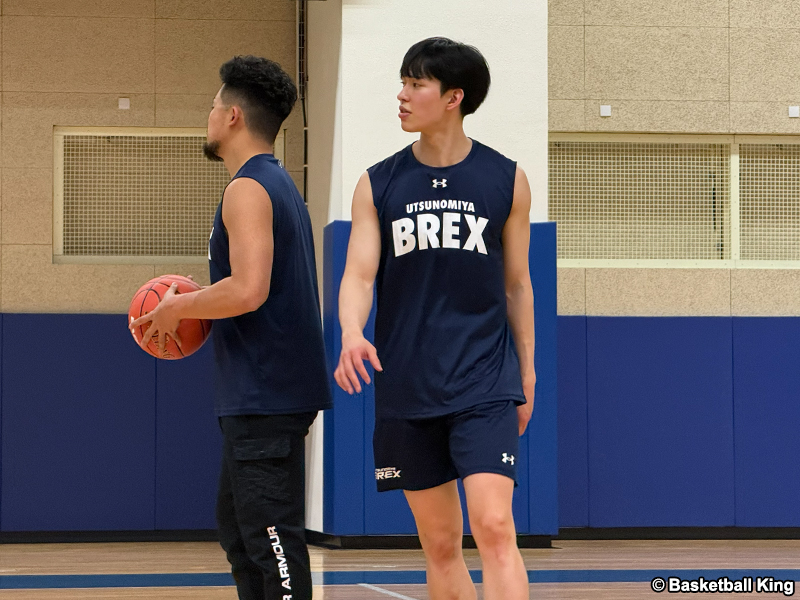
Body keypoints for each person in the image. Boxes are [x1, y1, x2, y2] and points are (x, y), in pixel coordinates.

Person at [334, 37, 535, 600]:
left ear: (453, 97)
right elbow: (359, 276)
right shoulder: (378, 183)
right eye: (402, 82)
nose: (402, 95)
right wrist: (350, 332)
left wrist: (527, 371)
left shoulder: (506, 179)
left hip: (484, 380)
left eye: (416, 84)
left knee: (494, 526)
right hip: (408, 384)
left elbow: (517, 285)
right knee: (441, 543)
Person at [130, 55, 331, 600]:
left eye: (213, 105)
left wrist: (179, 307)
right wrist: (200, 298)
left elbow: (248, 289)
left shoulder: (248, 188)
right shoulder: (275, 183)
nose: (210, 115)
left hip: (267, 392)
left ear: (234, 116)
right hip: (263, 393)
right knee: (242, 536)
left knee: (271, 542)